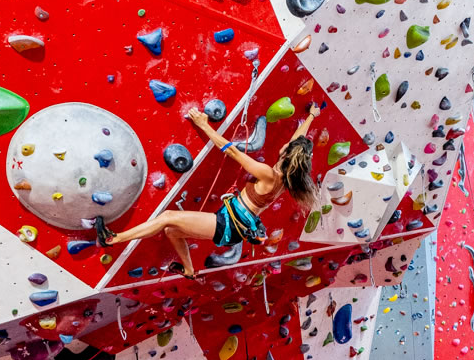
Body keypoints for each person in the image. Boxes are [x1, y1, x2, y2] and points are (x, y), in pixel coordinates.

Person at [99, 102, 321, 278]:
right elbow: (296, 141)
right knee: (172, 231)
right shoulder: (287, 179)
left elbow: (232, 152)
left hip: (227, 225)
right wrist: (311, 116)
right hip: (231, 225)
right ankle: (188, 270)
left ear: (286, 153)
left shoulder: (268, 174)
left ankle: (114, 239)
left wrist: (203, 125)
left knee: (167, 217)